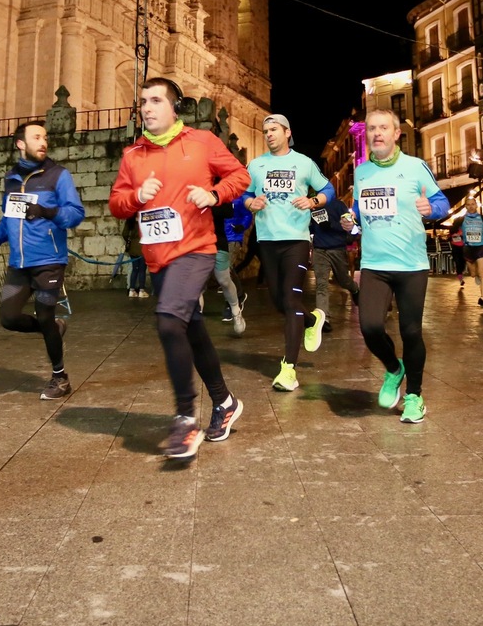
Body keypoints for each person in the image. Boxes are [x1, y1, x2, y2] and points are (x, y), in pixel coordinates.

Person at [108, 77, 250, 459]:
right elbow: (117, 203)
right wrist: (136, 196)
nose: (147, 108)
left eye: (156, 100)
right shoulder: (132, 155)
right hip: (158, 258)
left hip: (196, 250)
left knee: (169, 320)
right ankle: (225, 403)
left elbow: (240, 176)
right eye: (143, 101)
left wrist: (214, 194)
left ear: (174, 108)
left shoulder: (202, 142)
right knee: (192, 329)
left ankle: (186, 418)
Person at [339, 109, 449, 423]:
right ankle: (393, 368)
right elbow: (359, 209)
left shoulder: (415, 167)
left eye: (383, 128)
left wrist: (431, 208)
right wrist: (351, 220)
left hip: (412, 265)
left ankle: (414, 395)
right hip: (374, 264)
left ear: (396, 133)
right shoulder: (361, 172)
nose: (376, 133)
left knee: (411, 332)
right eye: (372, 128)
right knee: (370, 327)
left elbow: (441, 202)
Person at [0, 123, 85, 400]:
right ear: (20, 143)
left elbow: (75, 214)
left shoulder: (57, 175)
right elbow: (9, 217)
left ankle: (60, 378)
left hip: (49, 261)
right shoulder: (11, 178)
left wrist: (47, 211)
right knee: (9, 318)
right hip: (19, 264)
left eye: (45, 137)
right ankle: (54, 328)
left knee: (45, 313)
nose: (43, 142)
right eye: (36, 137)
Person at [243, 113, 334, 392]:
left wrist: (313, 201)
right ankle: (312, 319)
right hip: (267, 240)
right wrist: (250, 203)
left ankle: (289, 370)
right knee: (278, 300)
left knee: (291, 298)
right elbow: (243, 194)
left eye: (274, 129)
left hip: (296, 241)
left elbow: (328, 188)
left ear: (287, 132)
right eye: (265, 130)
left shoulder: (304, 163)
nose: (269, 134)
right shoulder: (256, 165)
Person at [308, 195, 360, 332]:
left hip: (337, 248)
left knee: (343, 280)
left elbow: (350, 226)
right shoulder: (312, 207)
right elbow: (311, 228)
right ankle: (323, 318)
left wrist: (331, 225)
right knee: (321, 284)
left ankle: (354, 288)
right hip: (319, 249)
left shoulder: (338, 205)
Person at [210, 198, 247, 334]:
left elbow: (230, 211)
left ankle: (236, 310)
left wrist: (207, 201)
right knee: (197, 285)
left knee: (224, 280)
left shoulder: (221, 189)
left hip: (221, 240)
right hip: (195, 243)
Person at [122, 218, 150, 298]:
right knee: (142, 270)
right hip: (142, 247)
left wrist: (129, 240)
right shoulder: (144, 218)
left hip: (132, 248)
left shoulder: (129, 221)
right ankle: (141, 291)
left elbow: (124, 233)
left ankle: (131, 290)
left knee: (135, 269)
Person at [449, 221, 467, 288]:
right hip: (460, 248)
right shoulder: (463, 228)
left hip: (457, 248)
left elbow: (450, 238)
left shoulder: (453, 230)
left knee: (459, 263)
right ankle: (460, 276)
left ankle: (460, 277)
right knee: (460, 263)